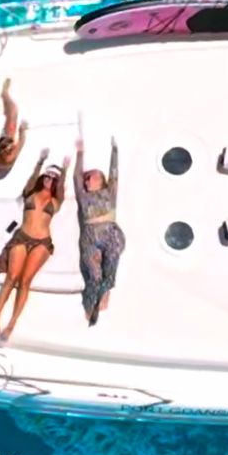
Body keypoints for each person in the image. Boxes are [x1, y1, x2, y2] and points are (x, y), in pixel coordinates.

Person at [0, 149, 70, 343]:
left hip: (42, 242)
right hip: (22, 237)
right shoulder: (30, 192)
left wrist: (65, 170)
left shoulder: (56, 200)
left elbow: (61, 188)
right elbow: (32, 179)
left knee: (25, 282)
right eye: (47, 176)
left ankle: (11, 324)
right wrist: (40, 161)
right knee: (11, 278)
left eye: (54, 178)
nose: (50, 179)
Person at [75, 131, 126, 326]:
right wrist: (80, 153)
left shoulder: (109, 192)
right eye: (87, 178)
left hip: (110, 235)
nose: (87, 180)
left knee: (109, 273)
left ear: (101, 181)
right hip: (90, 236)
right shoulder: (83, 195)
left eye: (92, 177)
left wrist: (115, 151)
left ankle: (105, 292)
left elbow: (114, 173)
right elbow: (77, 177)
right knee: (94, 275)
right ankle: (91, 304)